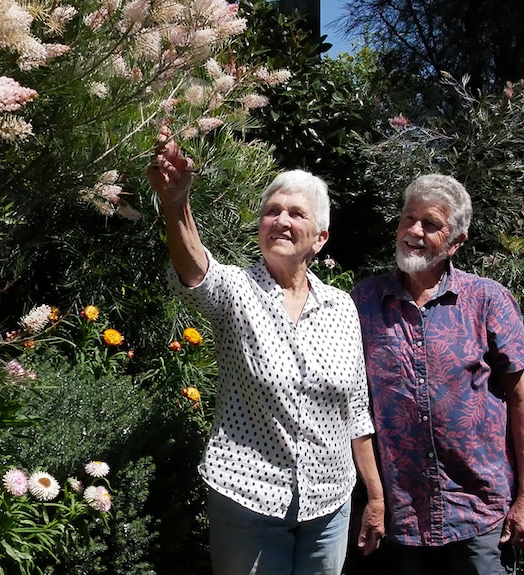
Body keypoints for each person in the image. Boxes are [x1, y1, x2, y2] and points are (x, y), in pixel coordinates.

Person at [146, 126, 385, 575]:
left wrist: (374, 495)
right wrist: (176, 202)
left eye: (296, 213)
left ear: (320, 238)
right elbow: (197, 270)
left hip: (330, 502)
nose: (282, 220)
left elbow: (356, 410)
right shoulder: (237, 290)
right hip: (248, 497)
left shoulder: (341, 307)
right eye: (272, 211)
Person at [350, 174, 524, 575]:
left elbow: (522, 399)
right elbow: (352, 404)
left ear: (456, 242)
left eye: (431, 224)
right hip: (402, 516)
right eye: (408, 219)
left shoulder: (487, 300)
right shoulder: (364, 301)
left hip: (478, 510)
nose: (414, 232)